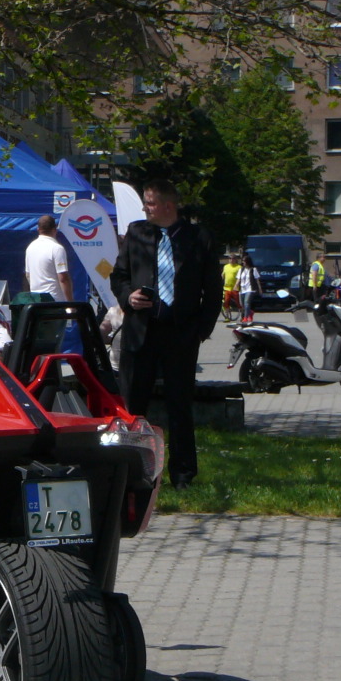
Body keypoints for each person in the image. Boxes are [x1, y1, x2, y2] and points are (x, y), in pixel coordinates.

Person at [110, 178, 220, 490]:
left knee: (179, 407)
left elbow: (212, 290)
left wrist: (201, 331)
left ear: (167, 206)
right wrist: (128, 296)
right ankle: (132, 471)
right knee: (134, 406)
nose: (145, 208)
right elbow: (118, 276)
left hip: (180, 333)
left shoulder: (198, 238)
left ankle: (183, 475)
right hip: (141, 331)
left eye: (150, 202)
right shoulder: (137, 232)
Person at [24, 214, 71, 301]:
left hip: (36, 301)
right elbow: (63, 278)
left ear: (38, 229)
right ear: (55, 230)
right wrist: (70, 303)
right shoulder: (57, 249)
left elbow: (28, 275)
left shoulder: (30, 248)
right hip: (54, 301)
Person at [237, 253, 262, 323]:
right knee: (242, 305)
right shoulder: (241, 270)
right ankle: (250, 312)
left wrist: (260, 289)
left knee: (247, 303)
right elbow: (238, 279)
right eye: (242, 261)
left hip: (250, 289)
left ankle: (245, 317)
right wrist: (236, 286)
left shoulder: (253, 269)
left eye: (244, 261)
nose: (243, 262)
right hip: (242, 289)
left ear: (248, 262)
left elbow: (257, 280)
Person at [221, 254, 241, 319]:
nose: (231, 260)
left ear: (236, 260)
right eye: (230, 259)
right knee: (226, 302)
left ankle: (243, 315)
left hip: (236, 288)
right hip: (227, 288)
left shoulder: (239, 267)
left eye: (233, 259)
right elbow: (223, 275)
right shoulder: (226, 267)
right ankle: (227, 316)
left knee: (238, 303)